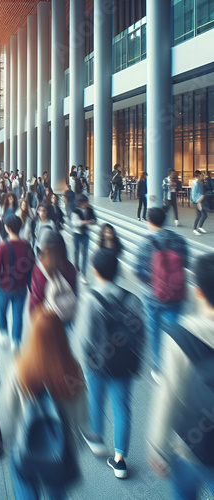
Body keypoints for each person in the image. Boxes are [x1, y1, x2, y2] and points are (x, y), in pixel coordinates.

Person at [147, 254, 214, 499]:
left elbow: (168, 394)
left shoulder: (181, 334)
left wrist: (157, 446)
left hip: (190, 445)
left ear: (197, 292)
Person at [75, 249, 144, 480]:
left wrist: (83, 361)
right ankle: (120, 460)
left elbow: (83, 337)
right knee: (122, 408)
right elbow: (140, 334)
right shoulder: (133, 299)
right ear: (118, 270)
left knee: (96, 399)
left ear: (95, 270)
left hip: (97, 363)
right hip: (124, 363)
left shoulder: (90, 298)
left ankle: (96, 438)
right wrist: (136, 361)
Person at [8, 309, 86, 500]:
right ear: (62, 337)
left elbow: (11, 408)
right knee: (57, 493)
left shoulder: (20, 367)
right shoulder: (73, 370)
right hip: (60, 450)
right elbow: (82, 416)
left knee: (24, 488)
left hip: (25, 446)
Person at [135, 207, 189, 381]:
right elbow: (186, 263)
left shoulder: (146, 243)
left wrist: (155, 282)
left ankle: (158, 368)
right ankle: (177, 366)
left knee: (154, 330)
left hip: (153, 296)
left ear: (150, 221)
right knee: (174, 329)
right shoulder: (178, 240)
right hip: (175, 294)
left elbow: (138, 271)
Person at [0, 214, 35, 353]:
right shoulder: (28, 246)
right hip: (21, 288)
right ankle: (16, 341)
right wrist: (30, 285)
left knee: (1, 311)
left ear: (7, 228)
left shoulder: (2, 246)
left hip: (4, 287)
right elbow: (31, 266)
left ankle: (3, 334)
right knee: (18, 315)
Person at [29, 231, 77, 315]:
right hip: (67, 314)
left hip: (47, 319)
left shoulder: (40, 269)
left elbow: (35, 299)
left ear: (45, 249)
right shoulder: (70, 267)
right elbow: (75, 292)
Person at [70, 194, 97, 285]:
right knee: (76, 251)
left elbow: (94, 220)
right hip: (76, 233)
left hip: (85, 234)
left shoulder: (90, 209)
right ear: (81, 203)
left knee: (85, 254)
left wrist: (84, 222)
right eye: (85, 202)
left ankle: (83, 274)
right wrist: (85, 222)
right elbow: (74, 223)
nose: (87, 204)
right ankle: (76, 264)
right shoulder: (75, 211)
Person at [192, 170, 208, 236]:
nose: (203, 176)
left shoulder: (202, 182)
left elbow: (205, 189)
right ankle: (195, 229)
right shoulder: (196, 183)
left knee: (204, 215)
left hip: (201, 200)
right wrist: (198, 200)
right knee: (200, 215)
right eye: (202, 175)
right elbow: (193, 194)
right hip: (197, 201)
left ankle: (199, 227)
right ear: (198, 177)